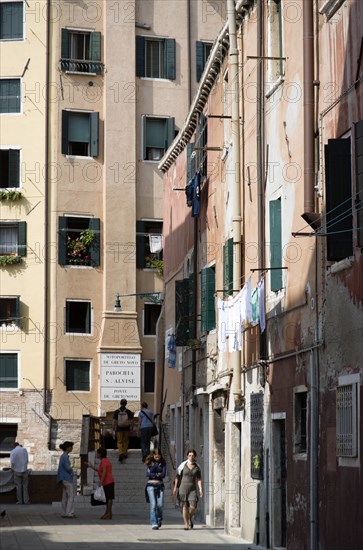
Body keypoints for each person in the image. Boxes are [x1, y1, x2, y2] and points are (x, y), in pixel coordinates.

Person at [173, 449, 203, 530]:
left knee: (193, 507)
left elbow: (199, 479)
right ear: (187, 456)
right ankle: (186, 524)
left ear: (195, 456)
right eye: (189, 455)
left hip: (192, 489)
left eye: (192, 455)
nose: (191, 457)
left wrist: (200, 489)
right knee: (184, 507)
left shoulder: (197, 467)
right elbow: (177, 477)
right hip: (183, 488)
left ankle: (189, 518)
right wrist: (175, 487)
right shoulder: (183, 465)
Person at [86, 447, 114, 520]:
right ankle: (108, 512)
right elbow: (100, 470)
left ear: (100, 454)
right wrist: (91, 466)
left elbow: (104, 471)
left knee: (109, 498)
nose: (96, 454)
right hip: (107, 482)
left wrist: (101, 481)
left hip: (108, 482)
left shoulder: (104, 461)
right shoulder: (104, 461)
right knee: (108, 498)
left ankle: (108, 513)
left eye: (97, 453)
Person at [145, 448, 166, 530]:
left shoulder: (163, 463)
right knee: (153, 504)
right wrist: (157, 473)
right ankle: (153, 522)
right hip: (150, 485)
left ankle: (159, 519)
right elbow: (148, 474)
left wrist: (154, 474)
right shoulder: (149, 462)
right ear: (153, 455)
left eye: (158, 457)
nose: (157, 458)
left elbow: (163, 474)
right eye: (156, 457)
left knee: (160, 505)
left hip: (160, 485)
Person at [57, 441, 76, 518]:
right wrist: (72, 470)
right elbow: (68, 468)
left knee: (65, 496)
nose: (72, 448)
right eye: (71, 447)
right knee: (70, 496)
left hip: (63, 478)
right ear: (68, 448)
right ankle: (70, 513)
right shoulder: (65, 457)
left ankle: (64, 512)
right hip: (67, 478)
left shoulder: (63, 456)